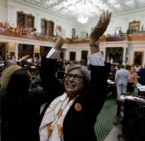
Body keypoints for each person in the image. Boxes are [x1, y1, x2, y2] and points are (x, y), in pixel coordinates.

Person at [39, 10, 111, 141]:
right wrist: (60, 41)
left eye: (77, 77)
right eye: (68, 75)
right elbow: (46, 72)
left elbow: (99, 80)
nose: (71, 79)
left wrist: (93, 41)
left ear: (85, 82)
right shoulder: (58, 92)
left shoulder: (89, 100)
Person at [0, 56, 59, 141]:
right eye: (30, 77)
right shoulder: (34, 95)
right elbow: (53, 90)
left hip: (10, 134)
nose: (31, 78)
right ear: (26, 81)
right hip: (29, 136)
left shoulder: (4, 95)